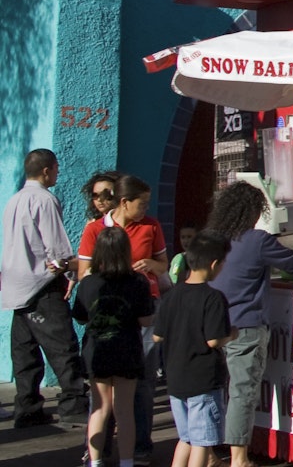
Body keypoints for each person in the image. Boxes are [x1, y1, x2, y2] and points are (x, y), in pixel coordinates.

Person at [206, 182, 293, 467]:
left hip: (209, 325)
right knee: (242, 392)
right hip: (245, 325)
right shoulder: (257, 240)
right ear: (254, 211)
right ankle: (239, 458)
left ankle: (207, 452)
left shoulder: (210, 238)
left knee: (211, 393)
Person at [76, 174, 171, 461]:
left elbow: (163, 265)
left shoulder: (150, 226)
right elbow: (83, 273)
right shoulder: (96, 229)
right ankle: (104, 453)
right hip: (117, 315)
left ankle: (137, 449)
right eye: (141, 204)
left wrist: (152, 265)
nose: (145, 209)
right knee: (107, 399)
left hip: (141, 308)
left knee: (141, 388)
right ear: (124, 202)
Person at [4, 149, 88, 428]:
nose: (57, 173)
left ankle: (27, 407)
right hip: (42, 285)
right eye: (56, 168)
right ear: (46, 171)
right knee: (63, 347)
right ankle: (73, 404)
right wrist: (66, 265)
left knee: (25, 352)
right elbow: (56, 245)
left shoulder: (14, 200)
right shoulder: (44, 200)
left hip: (17, 287)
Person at [71, 226, 156, 467]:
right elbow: (146, 320)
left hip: (97, 351)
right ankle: (127, 462)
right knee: (124, 410)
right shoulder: (138, 282)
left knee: (99, 408)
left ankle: (96, 462)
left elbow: (80, 317)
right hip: (127, 350)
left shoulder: (88, 283)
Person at [154, 233, 233, 467]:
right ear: (214, 264)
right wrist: (232, 334)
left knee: (185, 437)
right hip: (203, 379)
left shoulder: (172, 296)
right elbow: (213, 340)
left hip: (176, 378)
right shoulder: (213, 298)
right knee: (202, 441)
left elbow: (158, 335)